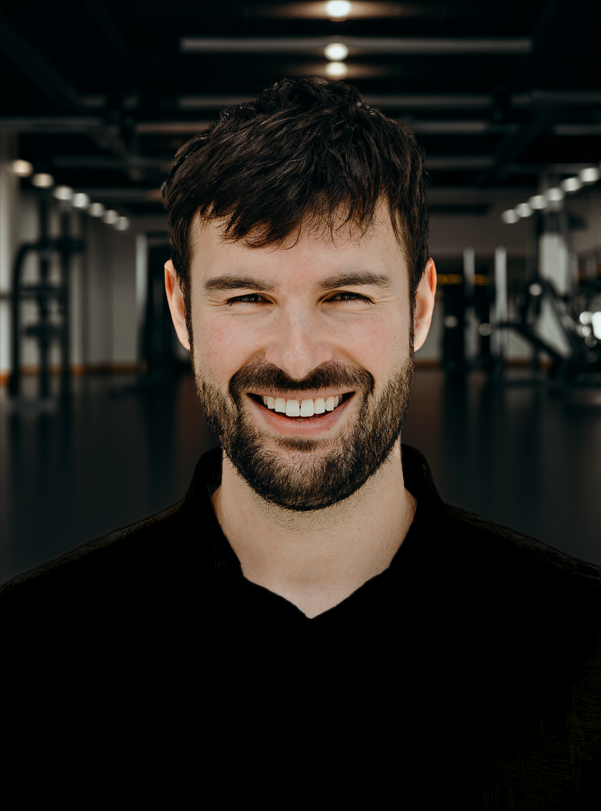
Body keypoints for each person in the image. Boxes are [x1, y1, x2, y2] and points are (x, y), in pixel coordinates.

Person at [2, 77, 600, 807]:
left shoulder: (581, 649)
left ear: (418, 307)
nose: (294, 356)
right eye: (247, 296)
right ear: (181, 309)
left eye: (344, 295)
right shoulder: (32, 650)